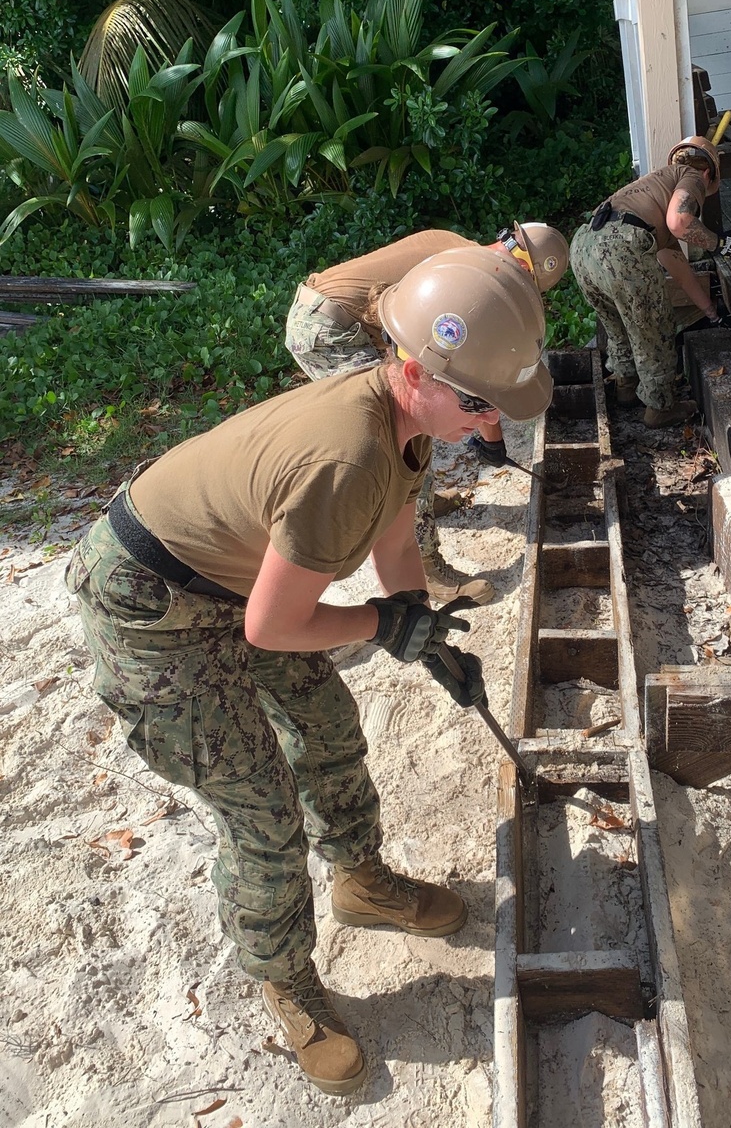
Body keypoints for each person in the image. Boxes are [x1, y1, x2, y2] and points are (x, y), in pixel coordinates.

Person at [65, 248, 552, 1097]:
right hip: (151, 605)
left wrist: (426, 634)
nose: (486, 424)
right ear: (413, 366)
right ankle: (285, 982)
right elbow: (275, 622)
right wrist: (383, 625)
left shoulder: (408, 427)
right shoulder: (346, 458)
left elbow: (398, 546)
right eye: (477, 402)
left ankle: (360, 880)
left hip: (227, 582)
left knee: (325, 726)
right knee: (262, 806)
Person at [284, 222, 568, 603]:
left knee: (414, 428)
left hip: (328, 312)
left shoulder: (460, 251)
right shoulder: (470, 283)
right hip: (330, 328)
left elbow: (473, 370)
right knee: (405, 433)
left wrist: (490, 438)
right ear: (525, 269)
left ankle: (420, 504)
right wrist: (493, 440)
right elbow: (473, 375)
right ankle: (425, 563)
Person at [570, 135, 731, 428]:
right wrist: (718, 243)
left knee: (619, 322)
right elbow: (680, 221)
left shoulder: (651, 192)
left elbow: (677, 264)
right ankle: (660, 408)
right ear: (708, 172)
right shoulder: (692, 175)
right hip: (620, 248)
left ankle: (626, 385)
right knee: (653, 326)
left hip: (583, 246)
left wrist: (711, 312)